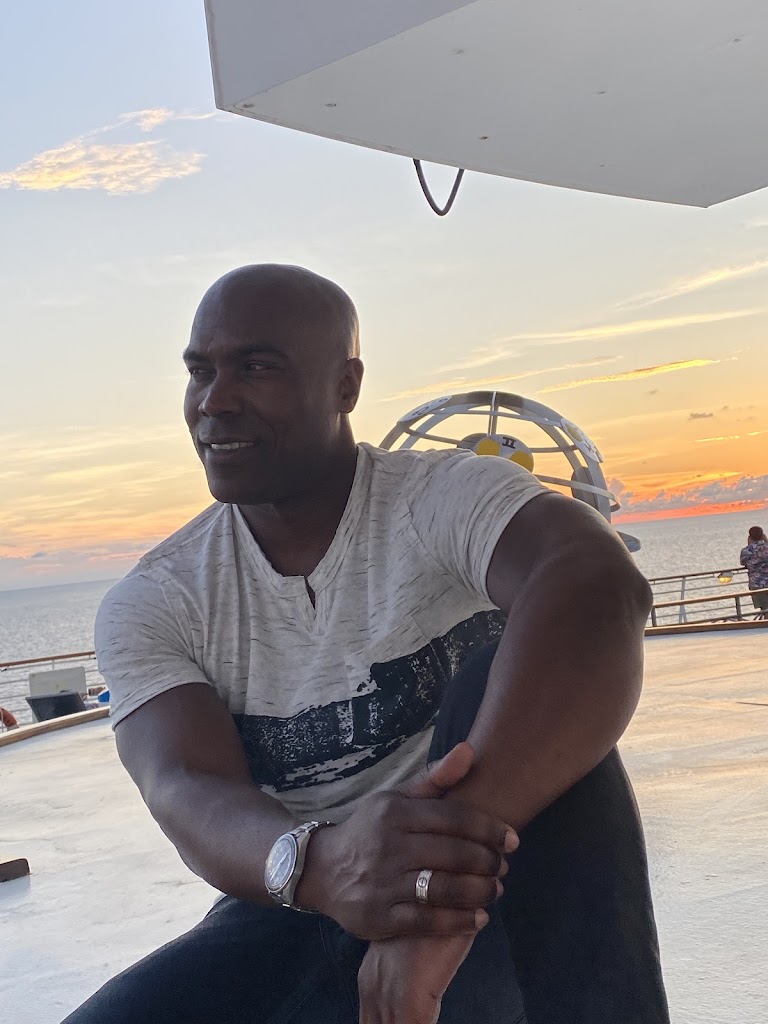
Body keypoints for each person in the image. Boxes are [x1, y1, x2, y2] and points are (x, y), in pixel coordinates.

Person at [64, 264, 668, 1024]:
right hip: (304, 896)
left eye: (257, 367)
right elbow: (184, 785)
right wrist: (322, 866)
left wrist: (427, 888)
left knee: (502, 686)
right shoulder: (158, 599)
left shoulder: (440, 497)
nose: (215, 401)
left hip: (509, 871)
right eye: (200, 372)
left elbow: (596, 582)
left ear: (346, 385)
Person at [740, 526, 768, 614]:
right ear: (762, 535)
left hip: (757, 584)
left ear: (750, 537)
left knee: (765, 609)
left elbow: (743, 562)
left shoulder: (746, 551)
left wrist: (750, 545)